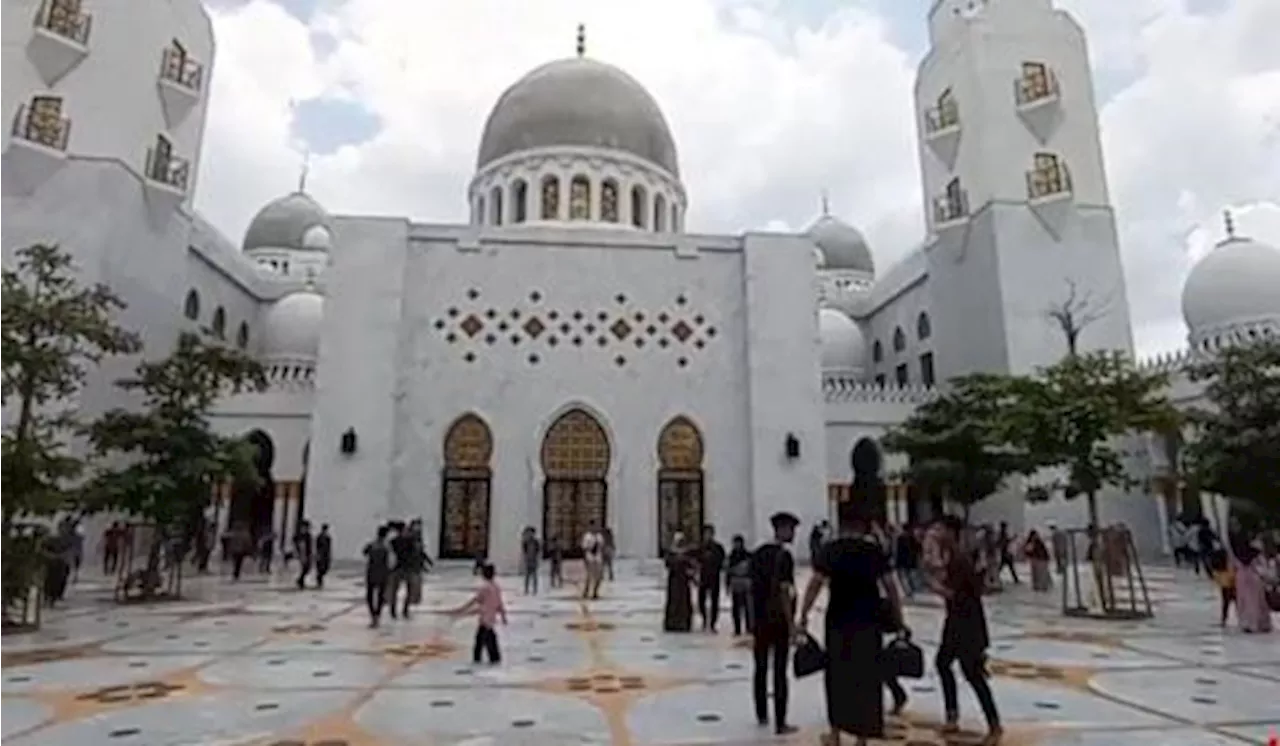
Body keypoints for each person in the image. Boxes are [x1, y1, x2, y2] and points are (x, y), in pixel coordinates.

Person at [799, 508, 910, 746]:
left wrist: (804, 614)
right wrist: (899, 620)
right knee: (867, 678)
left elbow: (815, 584)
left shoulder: (831, 550)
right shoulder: (873, 551)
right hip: (869, 623)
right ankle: (862, 736)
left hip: (839, 622)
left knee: (838, 677)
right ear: (863, 526)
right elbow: (891, 587)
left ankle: (836, 733)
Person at [929, 516, 1001, 744]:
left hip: (966, 625)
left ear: (951, 532)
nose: (935, 533)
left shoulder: (960, 559)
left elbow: (959, 594)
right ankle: (952, 715)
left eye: (939, 529)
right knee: (943, 663)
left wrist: (937, 588)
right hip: (956, 623)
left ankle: (994, 724)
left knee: (972, 673)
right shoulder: (953, 557)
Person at [748, 511, 800, 736]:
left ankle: (761, 714)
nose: (793, 534)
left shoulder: (758, 553)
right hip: (778, 621)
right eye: (791, 530)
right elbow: (785, 591)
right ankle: (780, 721)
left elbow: (749, 587)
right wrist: (792, 624)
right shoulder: (784, 556)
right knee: (779, 670)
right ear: (783, 530)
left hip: (759, 620)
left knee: (760, 667)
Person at [450, 562, 508, 664]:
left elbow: (476, 600)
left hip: (485, 618)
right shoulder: (496, 587)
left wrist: (462, 609)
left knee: (485, 639)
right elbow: (500, 604)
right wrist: (503, 616)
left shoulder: (485, 588)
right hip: (490, 617)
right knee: (485, 639)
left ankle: (485, 659)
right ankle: (490, 658)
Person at [1228, 524, 1272, 634]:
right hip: (1255, 579)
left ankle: (1247, 623)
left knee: (1244, 603)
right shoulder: (1256, 553)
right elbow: (1262, 567)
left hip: (1241, 580)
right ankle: (1261, 624)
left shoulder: (1237, 554)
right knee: (1258, 602)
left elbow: (1233, 566)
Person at [663, 533, 696, 632]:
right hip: (674, 582)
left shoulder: (688, 553)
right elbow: (668, 564)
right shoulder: (671, 553)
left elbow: (692, 566)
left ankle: (684, 623)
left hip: (684, 582)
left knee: (684, 602)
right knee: (674, 602)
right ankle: (672, 623)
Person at [698, 525, 726, 632]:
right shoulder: (700, 547)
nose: (707, 535)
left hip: (714, 577)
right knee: (701, 600)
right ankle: (704, 619)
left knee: (714, 601)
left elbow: (721, 561)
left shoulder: (718, 547)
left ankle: (713, 622)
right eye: (705, 533)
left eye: (709, 533)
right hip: (703, 577)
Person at [363, 525, 392, 627]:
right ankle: (377, 616)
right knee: (380, 596)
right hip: (383, 574)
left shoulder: (372, 545)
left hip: (371, 573)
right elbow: (390, 562)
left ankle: (373, 616)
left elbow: (364, 552)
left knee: (370, 596)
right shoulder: (387, 547)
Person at [727, 535, 753, 636]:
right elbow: (728, 572)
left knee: (747, 607)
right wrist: (728, 584)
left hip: (745, 583)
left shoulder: (747, 555)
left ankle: (748, 627)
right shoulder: (731, 556)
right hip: (735, 583)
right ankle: (737, 628)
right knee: (736, 608)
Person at [581, 525, 604, 600]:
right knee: (589, 576)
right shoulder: (587, 536)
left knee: (599, 577)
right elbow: (584, 547)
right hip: (590, 556)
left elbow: (602, 547)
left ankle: (595, 591)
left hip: (598, 557)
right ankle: (586, 591)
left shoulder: (599, 536)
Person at [293, 522, 314, 589]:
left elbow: (310, 545)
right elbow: (296, 543)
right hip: (302, 554)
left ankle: (300, 580)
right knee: (304, 567)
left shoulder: (308, 535)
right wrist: (298, 552)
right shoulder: (299, 535)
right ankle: (300, 581)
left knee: (307, 568)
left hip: (308, 553)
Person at [521, 527, 541, 595]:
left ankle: (535, 589)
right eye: (528, 533)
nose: (530, 534)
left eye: (531, 533)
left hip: (534, 560)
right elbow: (524, 551)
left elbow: (538, 551)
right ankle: (526, 589)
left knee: (534, 575)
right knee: (527, 576)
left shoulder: (536, 542)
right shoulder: (525, 542)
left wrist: (537, 559)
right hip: (528, 560)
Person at [314, 524, 332, 589]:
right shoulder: (319, 537)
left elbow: (329, 548)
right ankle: (319, 582)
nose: (325, 531)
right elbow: (317, 546)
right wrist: (317, 555)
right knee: (320, 569)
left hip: (326, 555)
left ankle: (319, 579)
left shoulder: (328, 538)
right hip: (320, 555)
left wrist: (329, 556)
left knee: (325, 569)